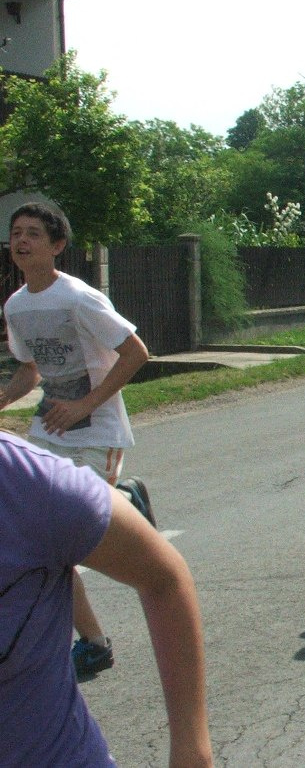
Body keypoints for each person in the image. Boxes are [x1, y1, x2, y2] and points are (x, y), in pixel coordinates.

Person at [0, 202, 154, 679]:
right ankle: (93, 642)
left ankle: (124, 500)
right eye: (15, 233)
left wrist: (86, 405)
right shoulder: (17, 305)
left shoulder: (79, 299)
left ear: (58, 246)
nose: (21, 241)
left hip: (97, 431)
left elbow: (136, 353)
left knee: (60, 540)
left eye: (33, 234)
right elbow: (31, 371)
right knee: (42, 541)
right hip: (50, 427)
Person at [0, 432, 212, 767]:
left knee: (54, 543)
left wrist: (192, 754)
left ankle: (116, 512)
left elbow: (165, 577)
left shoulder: (28, 482)